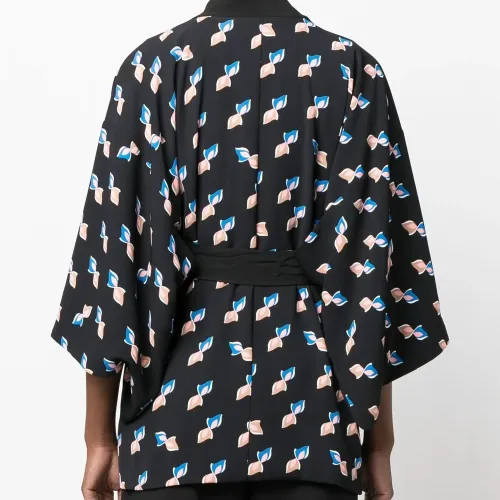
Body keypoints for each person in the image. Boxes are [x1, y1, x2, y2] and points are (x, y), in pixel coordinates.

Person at [50, 0, 450, 498]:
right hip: (314, 419)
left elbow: (113, 251)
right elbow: (369, 267)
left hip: (172, 419)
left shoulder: (152, 67)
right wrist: (378, 448)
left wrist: (98, 440)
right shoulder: (352, 70)